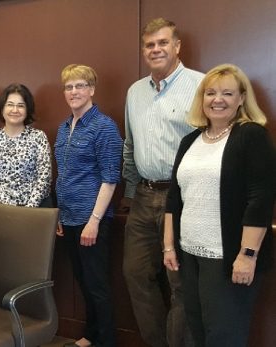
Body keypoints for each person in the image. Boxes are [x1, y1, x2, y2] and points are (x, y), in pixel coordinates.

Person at [163, 64, 275, 347]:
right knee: (198, 331)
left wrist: (248, 255)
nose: (218, 99)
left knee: (224, 337)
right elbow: (174, 198)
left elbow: (260, 199)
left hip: (227, 258)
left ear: (241, 98)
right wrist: (169, 246)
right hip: (189, 255)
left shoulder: (250, 135)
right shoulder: (190, 140)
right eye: (210, 93)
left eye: (227, 93)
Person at [121, 18, 203, 347]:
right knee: (136, 275)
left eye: (163, 42)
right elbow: (130, 146)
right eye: (149, 45)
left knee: (180, 282)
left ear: (177, 46)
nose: (156, 49)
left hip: (183, 199)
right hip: (143, 195)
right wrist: (129, 194)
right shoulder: (135, 91)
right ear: (143, 51)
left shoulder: (200, 85)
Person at [55, 65, 122, 347]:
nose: (74, 92)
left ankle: (106, 341)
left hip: (91, 219)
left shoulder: (104, 126)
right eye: (69, 87)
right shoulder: (63, 127)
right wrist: (59, 213)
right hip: (68, 218)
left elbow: (110, 178)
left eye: (80, 86)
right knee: (83, 282)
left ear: (92, 89)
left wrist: (94, 220)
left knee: (97, 286)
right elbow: (63, 173)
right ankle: (91, 334)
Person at [0, 83, 51, 207]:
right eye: (10, 105)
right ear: (2, 109)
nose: (15, 110)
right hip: (2, 209)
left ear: (27, 110)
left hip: (36, 209)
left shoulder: (38, 137)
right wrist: (11, 208)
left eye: (20, 106)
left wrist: (29, 207)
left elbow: (44, 177)